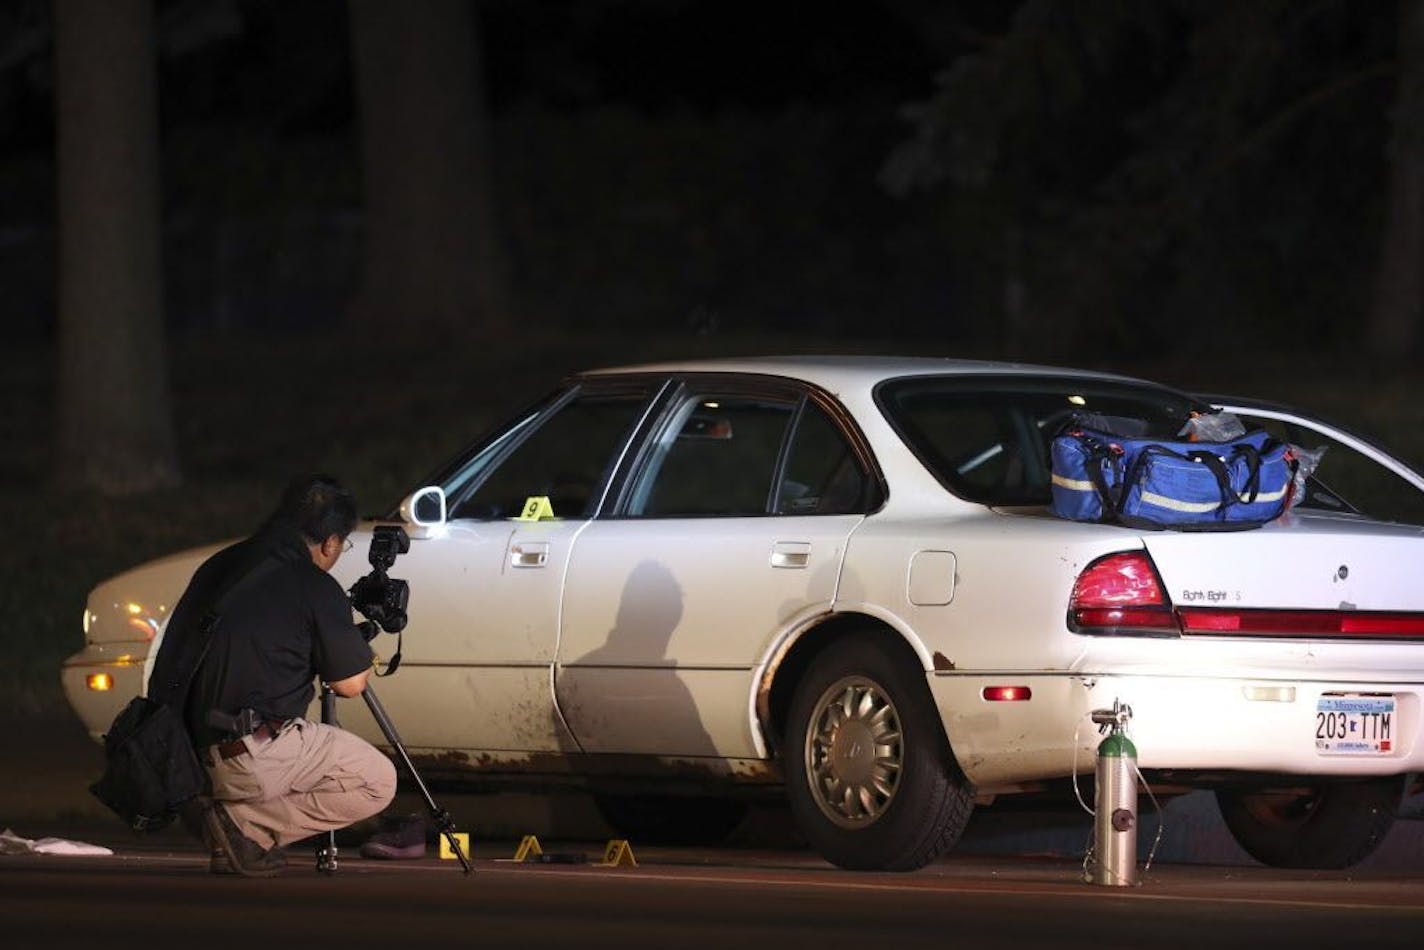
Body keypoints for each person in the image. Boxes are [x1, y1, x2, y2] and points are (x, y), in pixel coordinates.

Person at [149, 474, 396, 876]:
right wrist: (354, 643)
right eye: (341, 545)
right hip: (248, 754)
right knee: (377, 780)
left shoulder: (219, 565)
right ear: (331, 542)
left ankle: (221, 817)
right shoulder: (314, 585)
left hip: (182, 754)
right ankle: (243, 825)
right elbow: (350, 684)